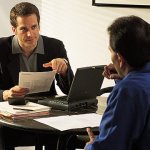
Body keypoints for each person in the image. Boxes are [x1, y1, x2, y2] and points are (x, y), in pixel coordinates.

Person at [0, 2, 74, 150]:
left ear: (39, 26)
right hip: (12, 114)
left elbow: (69, 91)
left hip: (47, 113)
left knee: (68, 134)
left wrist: (64, 70)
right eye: (23, 29)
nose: (30, 34)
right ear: (14, 29)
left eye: (34, 27)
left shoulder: (55, 46)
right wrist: (6, 94)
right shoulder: (1, 48)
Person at [84, 15, 150, 150]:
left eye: (111, 51)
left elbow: (110, 146)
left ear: (119, 58)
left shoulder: (127, 90)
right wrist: (123, 76)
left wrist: (91, 147)